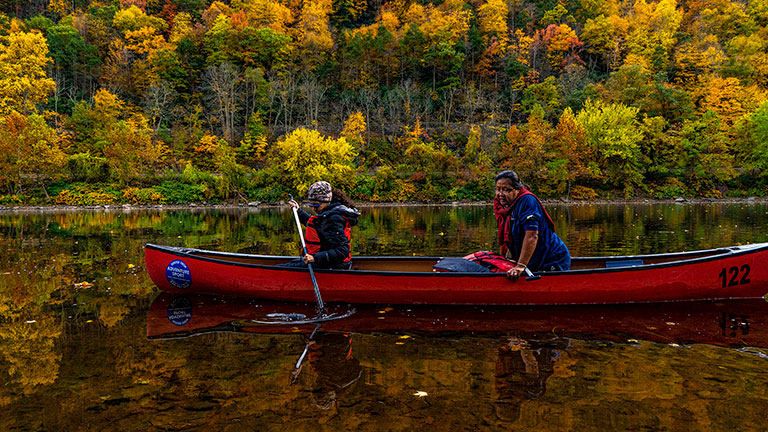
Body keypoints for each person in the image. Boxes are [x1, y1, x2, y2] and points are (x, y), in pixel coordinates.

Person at [494, 170, 570, 280]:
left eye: (506, 190)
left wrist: (521, 266)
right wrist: (502, 259)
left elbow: (532, 235)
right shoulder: (504, 206)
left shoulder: (527, 201)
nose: (500, 194)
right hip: (533, 260)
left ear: (517, 189)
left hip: (552, 259)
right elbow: (506, 235)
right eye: (498, 189)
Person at [285, 181, 360, 269]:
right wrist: (298, 212)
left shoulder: (333, 219)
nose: (313, 208)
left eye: (316, 205)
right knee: (291, 264)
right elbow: (319, 227)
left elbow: (343, 251)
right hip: (326, 261)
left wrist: (315, 258)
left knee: (283, 268)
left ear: (326, 201)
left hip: (333, 265)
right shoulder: (328, 214)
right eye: (311, 205)